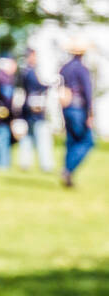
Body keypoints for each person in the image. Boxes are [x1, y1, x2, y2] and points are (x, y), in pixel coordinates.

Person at [58, 37, 96, 187]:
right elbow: (87, 92)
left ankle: (68, 174)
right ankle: (68, 169)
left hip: (66, 107)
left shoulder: (64, 68)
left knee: (71, 141)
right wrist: (90, 114)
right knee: (87, 141)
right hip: (78, 108)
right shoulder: (82, 69)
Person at [17, 47, 54, 173]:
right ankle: (46, 165)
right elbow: (37, 87)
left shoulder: (25, 71)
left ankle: (25, 162)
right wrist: (50, 85)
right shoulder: (30, 72)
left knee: (28, 138)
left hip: (28, 110)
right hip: (35, 110)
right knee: (42, 137)